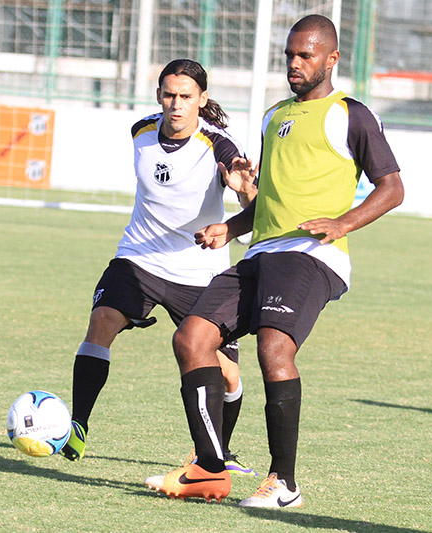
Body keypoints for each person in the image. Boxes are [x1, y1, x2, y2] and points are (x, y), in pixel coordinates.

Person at [144, 15, 404, 507]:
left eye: (305, 55)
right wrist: (233, 222)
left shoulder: (350, 114)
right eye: (289, 55)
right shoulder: (273, 116)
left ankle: (283, 482)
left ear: (331, 59)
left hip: (310, 254)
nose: (294, 64)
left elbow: (392, 188)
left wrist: (342, 224)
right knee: (191, 338)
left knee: (272, 350)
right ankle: (209, 468)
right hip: (262, 248)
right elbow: (268, 201)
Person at [60, 59, 259, 477]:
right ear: (158, 96)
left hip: (199, 272)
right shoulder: (140, 131)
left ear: (202, 100)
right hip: (139, 258)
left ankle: (217, 452)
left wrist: (242, 191)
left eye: (186, 97)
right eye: (169, 95)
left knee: (226, 373)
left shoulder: (220, 145)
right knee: (101, 322)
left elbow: (252, 206)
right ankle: (77, 426)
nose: (177, 104)